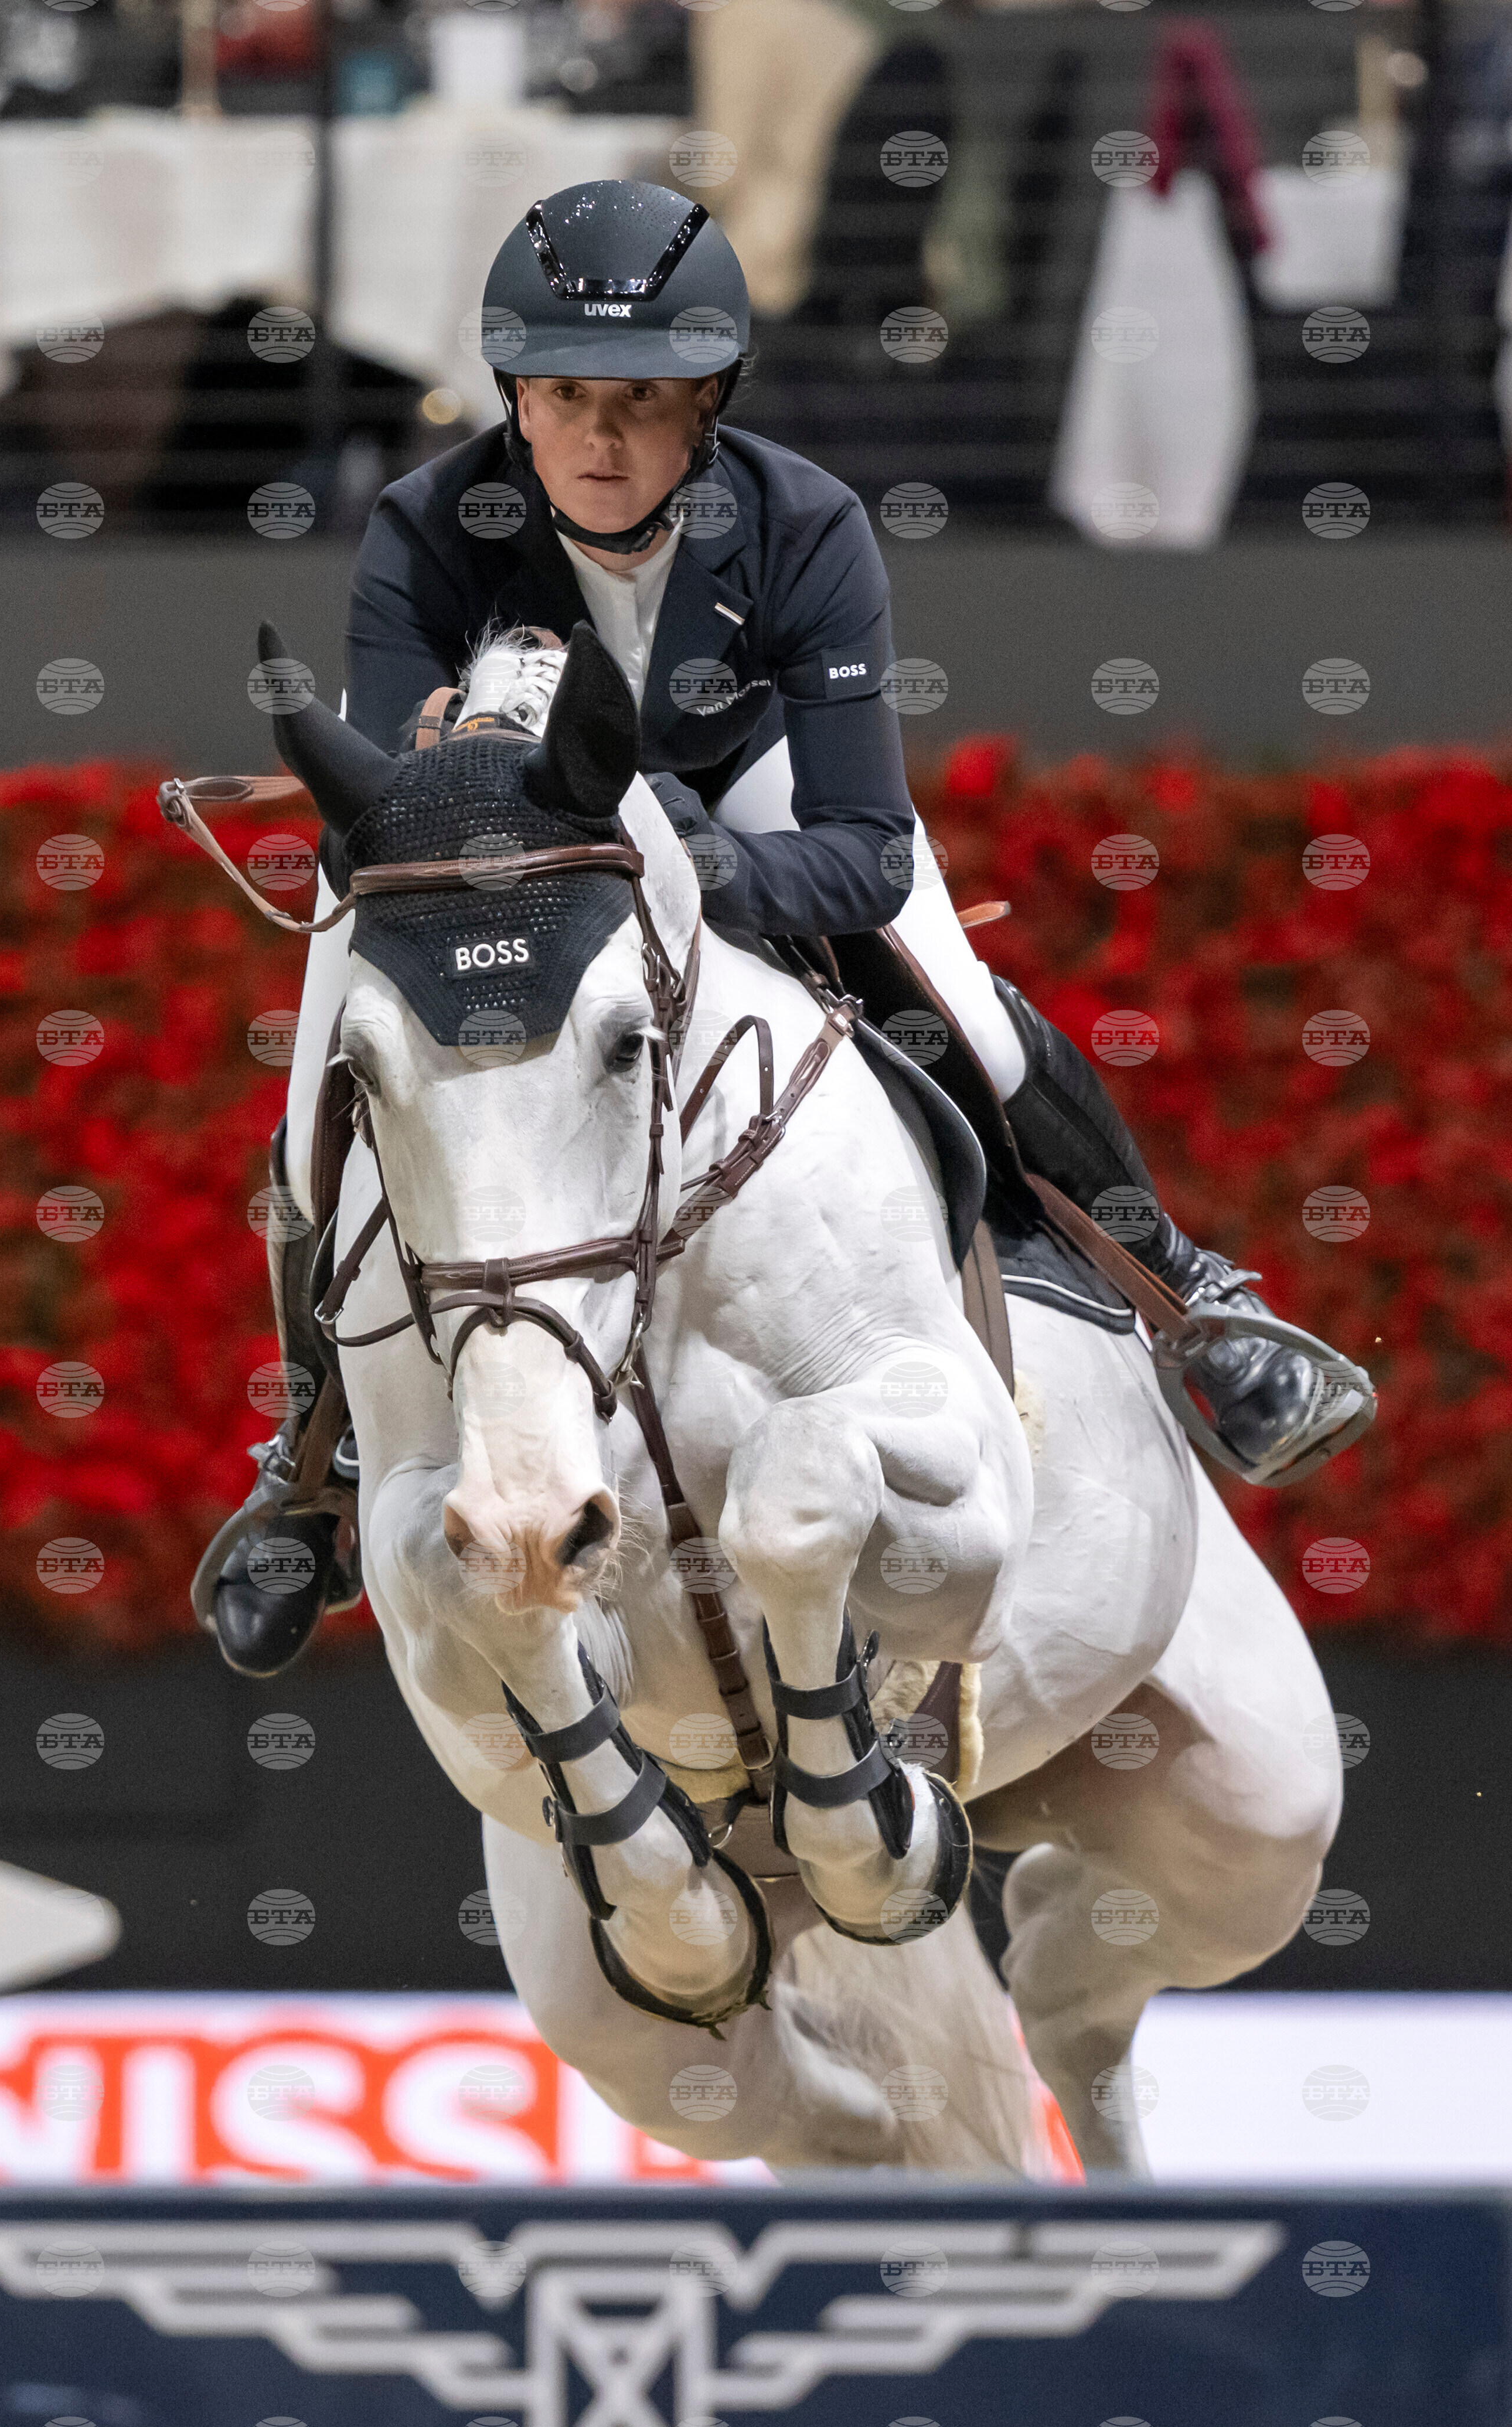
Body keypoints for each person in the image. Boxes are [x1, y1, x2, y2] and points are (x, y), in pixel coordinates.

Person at [197, 178, 1374, 1677]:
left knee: (954, 982)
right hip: (514, 829)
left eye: (643, 402)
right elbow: (381, 810)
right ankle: (314, 1443)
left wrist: (705, 876)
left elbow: (869, 852)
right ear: (515, 397)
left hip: (737, 795)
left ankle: (1197, 1305)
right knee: (325, 1013)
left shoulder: (805, 523)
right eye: (564, 398)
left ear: (708, 402)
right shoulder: (431, 527)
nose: (602, 440)